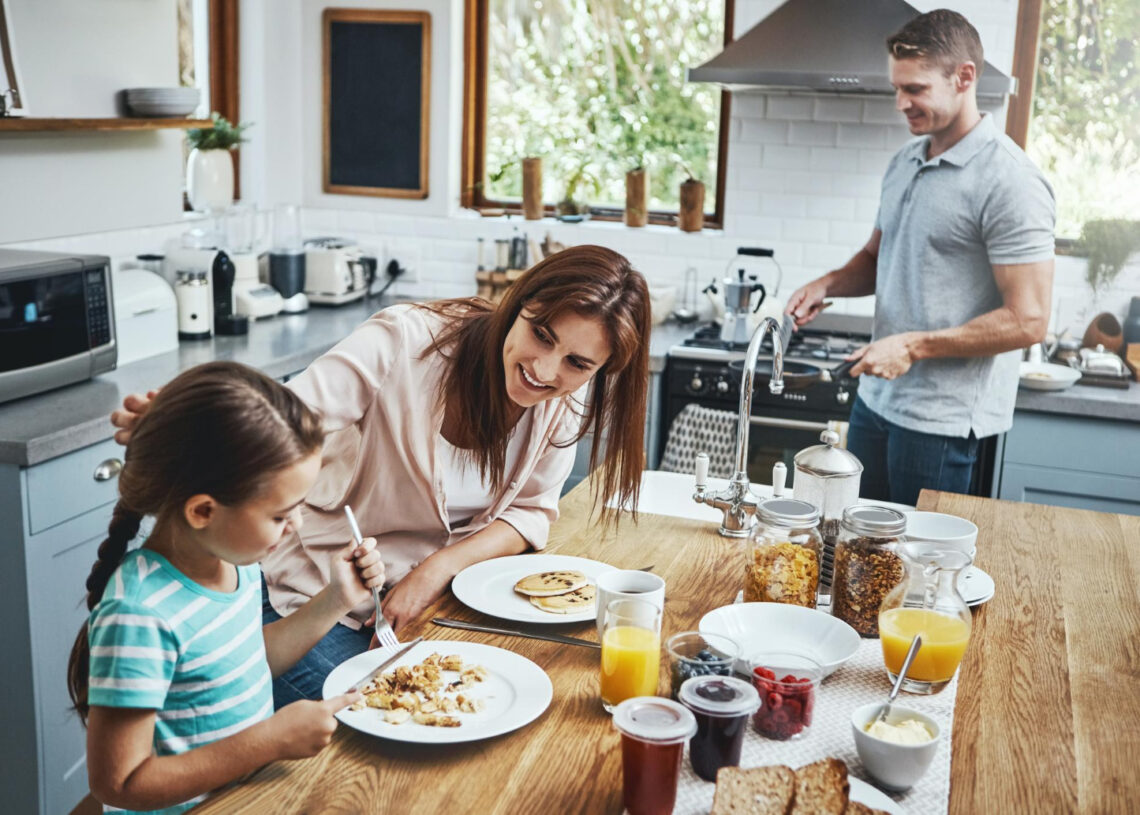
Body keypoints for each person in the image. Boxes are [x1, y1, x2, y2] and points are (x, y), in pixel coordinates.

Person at [112, 244, 652, 706]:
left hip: (431, 606)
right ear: (519, 304)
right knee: (384, 735)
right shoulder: (403, 342)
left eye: (578, 364)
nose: (546, 370)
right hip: (316, 596)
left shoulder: (568, 401)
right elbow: (286, 419)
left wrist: (433, 570)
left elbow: (530, 511)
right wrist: (184, 423)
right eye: (541, 334)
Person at [69, 362, 386, 815]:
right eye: (281, 515)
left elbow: (240, 662)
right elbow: (117, 783)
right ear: (203, 511)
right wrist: (266, 742)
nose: (295, 526)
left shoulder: (234, 563)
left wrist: (336, 600)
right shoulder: (138, 615)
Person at [785, 9, 1055, 506]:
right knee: (857, 551)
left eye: (915, 89)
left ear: (965, 77)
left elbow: (1029, 320)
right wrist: (826, 284)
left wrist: (911, 347)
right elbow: (876, 257)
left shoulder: (1010, 180)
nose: (900, 103)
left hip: (943, 424)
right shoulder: (905, 162)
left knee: (919, 570)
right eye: (897, 88)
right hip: (876, 402)